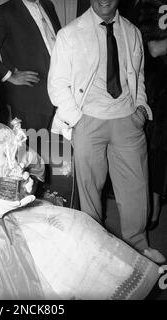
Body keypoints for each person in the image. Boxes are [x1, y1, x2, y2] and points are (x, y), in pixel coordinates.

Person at [0, 57, 160, 300]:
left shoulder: (1, 133)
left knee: (76, 227)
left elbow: (27, 169)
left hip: (12, 216)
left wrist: (25, 181)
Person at [47, 0, 166, 264]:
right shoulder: (69, 34)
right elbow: (57, 85)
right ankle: (96, 249)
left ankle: (138, 245)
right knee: (89, 191)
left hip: (127, 120)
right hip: (87, 120)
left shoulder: (132, 31)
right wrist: (77, 119)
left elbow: (138, 76)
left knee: (136, 187)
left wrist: (140, 107)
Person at [0, 0, 61, 131]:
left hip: (60, 95)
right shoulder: (3, 13)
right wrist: (9, 75)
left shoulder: (48, 5)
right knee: (30, 149)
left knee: (56, 149)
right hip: (30, 102)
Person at [139, 0, 167, 230]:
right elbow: (154, 48)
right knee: (152, 153)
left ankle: (154, 208)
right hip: (152, 91)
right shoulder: (146, 5)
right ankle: (152, 209)